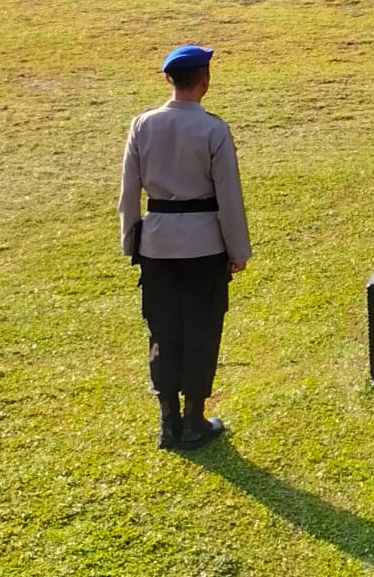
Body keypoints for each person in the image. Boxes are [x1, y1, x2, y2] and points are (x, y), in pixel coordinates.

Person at [118, 45, 250, 451]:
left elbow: (128, 192)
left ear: (167, 80)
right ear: (205, 80)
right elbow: (228, 196)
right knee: (202, 329)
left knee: (162, 330)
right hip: (204, 246)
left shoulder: (143, 125)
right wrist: (238, 249)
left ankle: (167, 420)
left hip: (157, 245)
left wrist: (130, 241)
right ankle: (193, 419)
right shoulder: (214, 130)